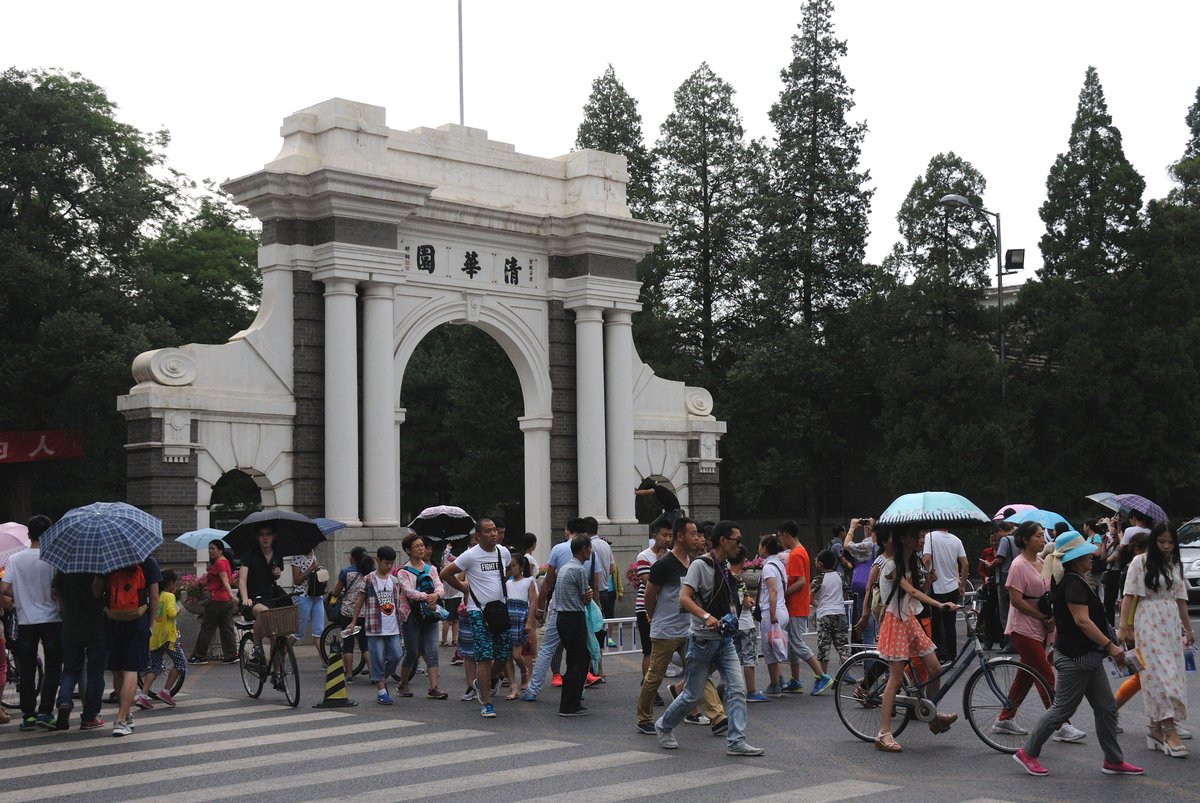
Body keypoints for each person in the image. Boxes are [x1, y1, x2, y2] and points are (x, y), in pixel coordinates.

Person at [1013, 531, 1143, 777]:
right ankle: (1027, 752)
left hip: (1086, 657)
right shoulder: (1073, 582)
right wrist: (1110, 646)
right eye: (1087, 553)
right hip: (1077, 658)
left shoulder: (1072, 580)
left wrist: (1055, 646)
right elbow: (1082, 622)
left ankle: (1113, 760)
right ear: (1075, 558)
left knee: (1106, 708)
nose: (1092, 556)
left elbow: (1065, 620)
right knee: (1062, 710)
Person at [654, 520, 764, 756]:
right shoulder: (700, 566)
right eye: (737, 540)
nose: (740, 545)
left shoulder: (723, 565)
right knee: (691, 695)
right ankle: (663, 726)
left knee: (737, 689)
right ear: (723, 540)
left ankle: (736, 741)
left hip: (724, 641)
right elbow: (684, 598)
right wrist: (706, 616)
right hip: (702, 641)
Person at [634, 517, 726, 736]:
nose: (698, 538)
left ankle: (718, 716)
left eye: (698, 534)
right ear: (680, 536)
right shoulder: (663, 564)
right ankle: (644, 718)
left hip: (690, 631)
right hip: (665, 631)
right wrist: (652, 617)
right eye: (693, 534)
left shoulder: (695, 563)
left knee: (700, 672)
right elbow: (649, 594)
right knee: (654, 677)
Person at [993, 522, 1084, 743]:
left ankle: (1004, 718)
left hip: (1041, 627)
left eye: (1042, 535)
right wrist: (1041, 617)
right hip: (1023, 628)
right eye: (1037, 536)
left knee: (1026, 675)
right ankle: (1061, 723)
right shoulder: (1018, 565)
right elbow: (1015, 600)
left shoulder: (1042, 561)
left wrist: (1051, 617)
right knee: (1045, 674)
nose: (1042, 539)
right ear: (1025, 539)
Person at [874, 526, 959, 753]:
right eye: (916, 536)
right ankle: (883, 733)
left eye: (921, 536)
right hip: (895, 622)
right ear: (903, 539)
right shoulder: (892, 565)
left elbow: (915, 592)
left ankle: (930, 714)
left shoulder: (912, 562)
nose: (921, 540)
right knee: (896, 679)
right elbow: (910, 592)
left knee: (935, 668)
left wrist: (929, 582)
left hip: (909, 619)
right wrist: (939, 604)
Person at [1119, 521, 1194, 757]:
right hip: (1148, 621)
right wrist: (1124, 627)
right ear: (1153, 541)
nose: (1166, 546)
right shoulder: (1140, 562)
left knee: (1171, 675)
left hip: (1171, 624)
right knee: (1159, 676)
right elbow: (1129, 597)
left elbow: (1181, 599)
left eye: (1170, 542)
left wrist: (1189, 629)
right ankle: (1169, 730)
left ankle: (1155, 726)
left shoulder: (1175, 564)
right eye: (1161, 541)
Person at [440, 518, 512, 718]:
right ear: (478, 536)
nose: (494, 534)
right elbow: (445, 573)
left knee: (503, 654)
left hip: (499, 610)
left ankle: (483, 683)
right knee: (484, 655)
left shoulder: (503, 553)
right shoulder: (470, 556)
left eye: (495, 530)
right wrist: (464, 588)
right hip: (477, 611)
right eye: (488, 531)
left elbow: (501, 577)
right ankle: (486, 702)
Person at [0, 515, 63, 731]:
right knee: (54, 666)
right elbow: (58, 591)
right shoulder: (54, 559)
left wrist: (19, 595)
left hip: (26, 620)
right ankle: (45, 712)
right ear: (49, 533)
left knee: (26, 668)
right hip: (53, 620)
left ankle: (28, 715)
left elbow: (4, 589)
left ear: (28, 535)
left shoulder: (16, 559)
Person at [104, 554, 161, 737]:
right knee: (131, 669)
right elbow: (154, 597)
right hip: (137, 621)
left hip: (113, 621)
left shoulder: (108, 559)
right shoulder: (148, 561)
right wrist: (150, 625)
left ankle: (126, 713)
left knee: (118, 669)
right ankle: (120, 720)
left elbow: (96, 591)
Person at [777, 521, 831, 695]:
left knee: (797, 642)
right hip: (797, 605)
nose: (779, 541)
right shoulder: (800, 552)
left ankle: (822, 676)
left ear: (786, 535)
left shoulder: (795, 554)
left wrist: (782, 592)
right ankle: (796, 680)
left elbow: (800, 581)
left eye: (780, 536)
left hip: (795, 605)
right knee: (793, 644)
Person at [51, 570, 107, 731]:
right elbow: (98, 592)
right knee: (95, 673)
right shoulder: (99, 563)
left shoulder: (67, 564)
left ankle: (64, 702)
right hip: (96, 627)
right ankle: (90, 717)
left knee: (69, 670)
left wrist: (65, 610)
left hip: (70, 626)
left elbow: (55, 590)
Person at [347, 546, 404, 705]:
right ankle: (381, 691)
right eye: (386, 563)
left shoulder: (393, 580)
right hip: (374, 627)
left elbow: (397, 602)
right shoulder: (369, 579)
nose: (389, 566)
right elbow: (359, 601)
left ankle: (379, 676)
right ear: (378, 560)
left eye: (391, 563)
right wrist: (353, 621)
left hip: (392, 626)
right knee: (377, 658)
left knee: (397, 655)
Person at [396, 533, 446, 699]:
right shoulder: (403, 572)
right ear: (408, 550)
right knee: (412, 651)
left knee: (432, 649)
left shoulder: (431, 569)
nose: (421, 548)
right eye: (417, 546)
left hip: (430, 612)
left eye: (422, 545)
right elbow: (408, 592)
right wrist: (428, 596)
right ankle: (403, 683)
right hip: (411, 615)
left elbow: (440, 586)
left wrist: (436, 596)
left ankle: (433, 688)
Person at [554, 534, 594, 716]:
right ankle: (571, 704)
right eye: (589, 548)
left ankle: (570, 702)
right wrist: (590, 595)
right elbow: (586, 599)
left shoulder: (564, 568)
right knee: (578, 662)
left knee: (575, 660)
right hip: (574, 618)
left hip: (562, 617)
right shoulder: (579, 570)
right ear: (584, 549)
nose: (591, 552)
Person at [236, 523, 291, 658]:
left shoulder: (277, 554)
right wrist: (244, 598)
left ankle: (277, 674)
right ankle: (256, 648)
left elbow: (275, 574)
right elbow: (242, 579)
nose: (265, 538)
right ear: (257, 537)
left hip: (270, 597)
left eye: (268, 534)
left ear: (274, 536)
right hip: (252, 600)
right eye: (261, 534)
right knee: (264, 612)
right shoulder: (250, 554)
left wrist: (277, 573)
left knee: (277, 636)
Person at [137, 569, 185, 710]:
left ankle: (143, 696)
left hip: (155, 637)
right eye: (175, 583)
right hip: (168, 638)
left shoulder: (156, 596)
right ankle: (166, 692)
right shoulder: (169, 596)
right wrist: (178, 610)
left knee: (155, 667)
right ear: (170, 583)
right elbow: (171, 613)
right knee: (180, 663)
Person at [632, 517, 672, 685]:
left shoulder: (672, 556)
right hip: (645, 608)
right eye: (664, 535)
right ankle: (647, 685)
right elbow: (648, 582)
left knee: (663, 651)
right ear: (655, 535)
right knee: (649, 650)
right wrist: (662, 562)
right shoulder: (644, 556)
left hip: (666, 608)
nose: (668, 539)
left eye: (670, 536)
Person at [923, 527, 968, 663]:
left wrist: (927, 574)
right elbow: (965, 563)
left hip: (936, 585)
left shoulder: (929, 537)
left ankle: (941, 654)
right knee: (950, 623)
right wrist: (962, 585)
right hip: (953, 586)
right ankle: (952, 654)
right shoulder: (956, 540)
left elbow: (927, 559)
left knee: (937, 622)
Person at [190, 540, 237, 664]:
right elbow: (227, 580)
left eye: (213, 548)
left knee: (207, 628)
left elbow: (225, 580)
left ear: (220, 550)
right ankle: (231, 655)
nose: (210, 551)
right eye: (209, 548)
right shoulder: (224, 561)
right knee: (227, 628)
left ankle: (199, 656)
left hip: (216, 600)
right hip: (225, 601)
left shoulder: (220, 563)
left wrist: (232, 595)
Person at [757, 534, 789, 697]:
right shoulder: (779, 565)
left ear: (764, 548)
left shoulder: (768, 567)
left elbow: (772, 591)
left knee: (769, 650)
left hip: (773, 612)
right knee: (776, 645)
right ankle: (781, 679)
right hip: (782, 610)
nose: (758, 548)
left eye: (760, 545)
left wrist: (771, 613)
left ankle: (774, 684)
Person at [330, 546, 369, 679]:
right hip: (364, 612)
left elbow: (336, 592)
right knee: (365, 644)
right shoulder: (370, 572)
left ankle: (349, 674)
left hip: (347, 612)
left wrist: (340, 595)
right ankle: (374, 674)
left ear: (352, 558)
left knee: (348, 644)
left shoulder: (346, 572)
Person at [503, 550, 537, 699]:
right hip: (508, 619)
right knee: (507, 655)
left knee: (517, 655)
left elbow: (533, 601)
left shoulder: (528, 581)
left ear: (521, 567)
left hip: (520, 618)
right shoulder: (507, 583)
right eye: (510, 566)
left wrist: (529, 620)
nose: (511, 568)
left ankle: (524, 671)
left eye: (514, 565)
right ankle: (513, 686)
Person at [812, 550, 850, 676]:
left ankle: (823, 678)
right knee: (843, 647)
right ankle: (846, 674)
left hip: (825, 615)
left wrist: (819, 605)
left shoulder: (819, 579)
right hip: (840, 613)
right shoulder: (840, 575)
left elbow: (810, 598)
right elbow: (846, 592)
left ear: (820, 564)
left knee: (824, 648)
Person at [290, 548, 326, 644]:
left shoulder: (313, 554)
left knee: (319, 632)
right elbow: (297, 580)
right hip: (302, 596)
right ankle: (280, 655)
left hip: (316, 596)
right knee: (299, 633)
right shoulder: (297, 557)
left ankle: (324, 659)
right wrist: (311, 568)